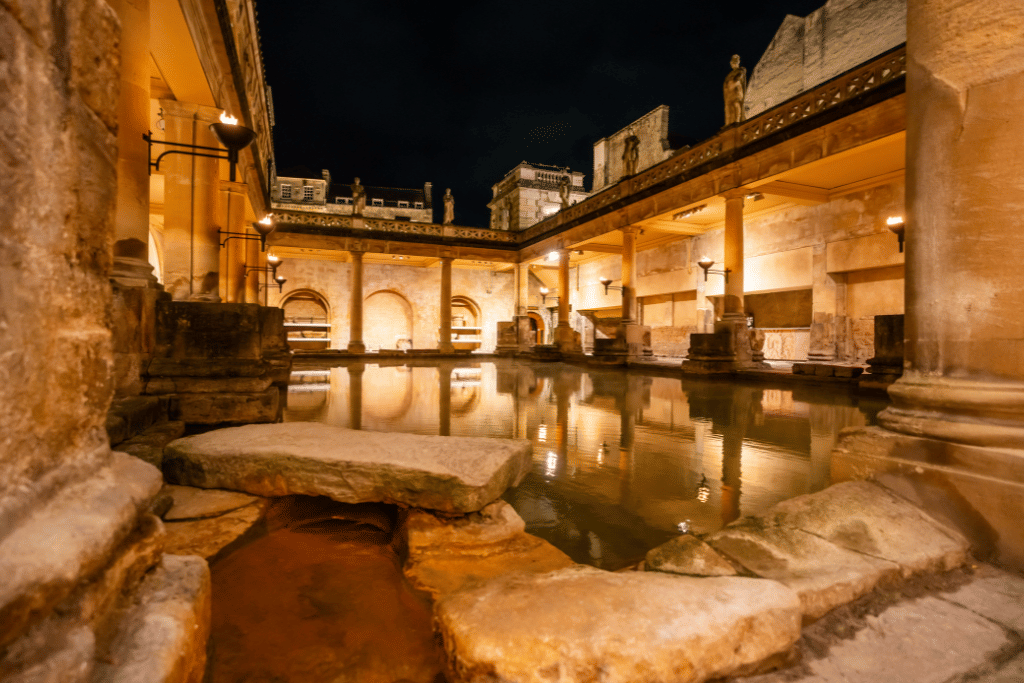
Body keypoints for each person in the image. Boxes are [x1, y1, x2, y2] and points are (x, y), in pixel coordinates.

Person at [723, 54, 747, 126]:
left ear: (738, 63)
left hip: (736, 91)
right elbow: (726, 83)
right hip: (729, 93)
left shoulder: (741, 70)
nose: (733, 64)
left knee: (736, 104)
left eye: (735, 63)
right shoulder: (729, 74)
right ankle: (728, 124)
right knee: (728, 108)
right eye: (732, 63)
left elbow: (738, 78)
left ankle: (737, 120)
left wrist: (733, 82)